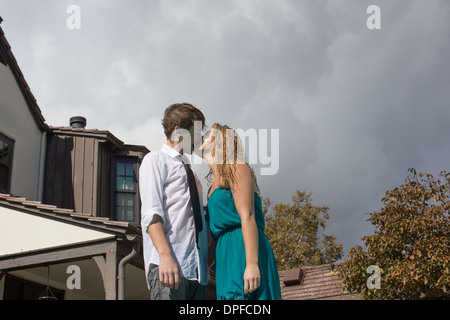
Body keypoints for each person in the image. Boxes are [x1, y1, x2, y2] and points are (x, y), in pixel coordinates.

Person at [200, 123, 281, 300]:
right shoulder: (210, 188)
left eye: (208, 134)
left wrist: (252, 264)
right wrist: (204, 264)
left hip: (243, 246)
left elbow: (248, 216)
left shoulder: (236, 166)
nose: (202, 137)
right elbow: (215, 235)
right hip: (224, 254)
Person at [139, 103, 209, 300]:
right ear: (179, 131)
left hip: (196, 273)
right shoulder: (155, 160)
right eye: (195, 132)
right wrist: (165, 256)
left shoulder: (192, 173)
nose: (198, 139)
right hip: (169, 266)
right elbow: (151, 214)